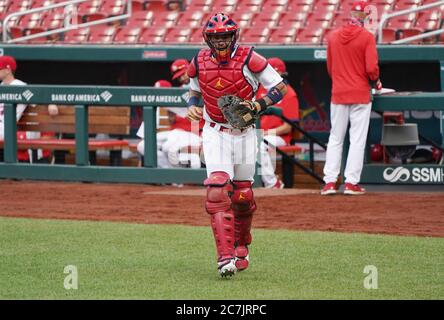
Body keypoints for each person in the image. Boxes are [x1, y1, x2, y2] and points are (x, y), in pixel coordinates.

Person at [186, 13, 287, 277]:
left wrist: (258, 104)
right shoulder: (198, 61)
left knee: (243, 196)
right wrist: (192, 107)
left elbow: (280, 87)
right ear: (208, 38)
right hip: (214, 130)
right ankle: (225, 257)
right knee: (217, 191)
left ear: (234, 36)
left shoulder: (250, 58)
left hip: (244, 132)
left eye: (225, 36)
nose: (221, 41)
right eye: (216, 37)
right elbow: (194, 90)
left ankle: (242, 243)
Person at [321, 1, 382, 196]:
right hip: (360, 93)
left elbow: (330, 69)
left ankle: (329, 182)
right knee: (357, 140)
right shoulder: (367, 37)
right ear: (365, 15)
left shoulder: (333, 36)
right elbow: (371, 69)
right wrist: (377, 82)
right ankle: (351, 183)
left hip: (338, 92)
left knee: (335, 138)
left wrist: (341, 80)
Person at [0, 55, 58, 163]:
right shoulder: (1, 86)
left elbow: (39, 97)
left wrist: (50, 103)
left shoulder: (20, 86)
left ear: (8, 70)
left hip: (5, 128)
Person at [256, 57, 300, 189]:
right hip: (261, 133)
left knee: (259, 145)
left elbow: (288, 127)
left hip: (279, 137)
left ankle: (272, 183)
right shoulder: (260, 90)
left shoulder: (289, 93)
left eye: (274, 73)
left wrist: (266, 132)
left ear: (281, 74)